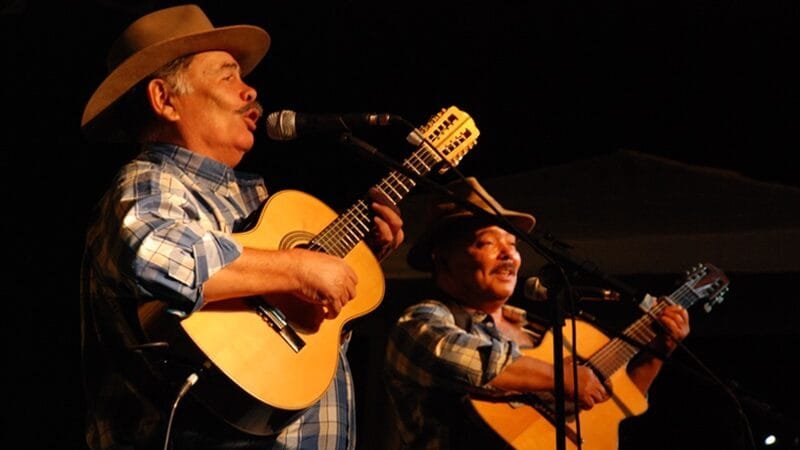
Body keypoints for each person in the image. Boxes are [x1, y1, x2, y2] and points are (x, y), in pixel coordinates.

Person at [79, 4, 404, 450]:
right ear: (165, 99)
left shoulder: (258, 207)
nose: (250, 91)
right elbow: (153, 249)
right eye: (227, 75)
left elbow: (278, 355)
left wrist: (345, 269)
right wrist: (298, 268)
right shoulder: (150, 179)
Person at [383, 176, 690, 449]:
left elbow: (614, 407)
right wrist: (563, 377)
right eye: (487, 242)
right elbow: (467, 361)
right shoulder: (422, 321)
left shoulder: (540, 331)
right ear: (443, 258)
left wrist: (656, 354)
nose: (509, 256)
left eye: (513, 245)